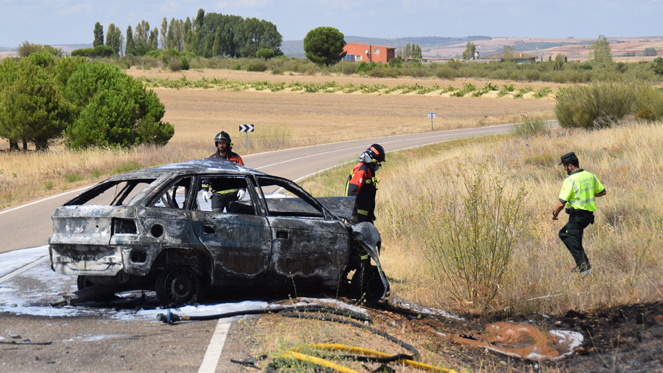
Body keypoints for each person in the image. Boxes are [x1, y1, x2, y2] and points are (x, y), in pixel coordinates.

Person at [551, 152, 606, 275]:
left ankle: (585, 270)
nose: (564, 169)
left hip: (577, 217)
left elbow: (561, 203)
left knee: (572, 240)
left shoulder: (570, 180)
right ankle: (582, 265)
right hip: (587, 216)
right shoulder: (590, 175)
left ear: (570, 166)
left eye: (564, 166)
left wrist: (554, 214)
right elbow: (602, 192)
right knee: (567, 235)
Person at [203, 131, 245, 212]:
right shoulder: (212, 159)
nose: (221, 145)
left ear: (228, 143)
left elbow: (243, 174)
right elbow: (207, 176)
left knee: (234, 220)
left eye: (223, 143)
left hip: (233, 195)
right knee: (216, 219)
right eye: (219, 143)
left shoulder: (236, 158)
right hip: (217, 196)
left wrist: (242, 188)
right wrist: (205, 190)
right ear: (216, 144)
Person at [345, 144, 385, 224]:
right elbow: (352, 192)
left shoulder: (369, 170)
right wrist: (353, 216)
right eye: (378, 162)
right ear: (374, 160)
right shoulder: (363, 170)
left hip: (365, 218)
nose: (378, 165)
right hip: (358, 218)